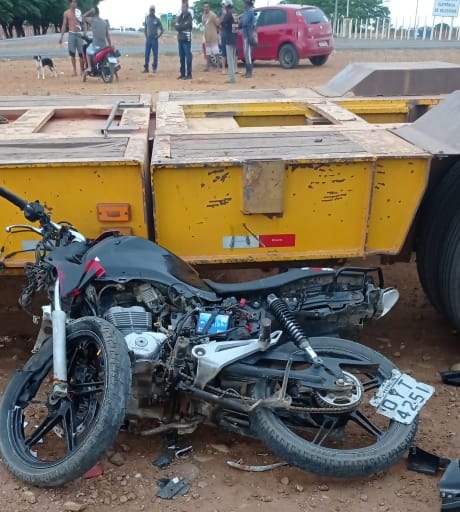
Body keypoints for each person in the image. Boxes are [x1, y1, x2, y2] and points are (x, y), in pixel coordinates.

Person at [59, 0, 85, 76]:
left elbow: (83, 22)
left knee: (81, 53)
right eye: (73, 2)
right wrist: (61, 36)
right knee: (72, 53)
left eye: (76, 2)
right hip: (71, 34)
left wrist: (85, 33)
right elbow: (64, 24)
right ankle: (74, 71)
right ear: (70, 3)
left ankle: (82, 70)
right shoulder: (66, 13)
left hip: (79, 34)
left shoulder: (78, 12)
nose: (74, 3)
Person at [82, 6, 111, 73]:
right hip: (103, 45)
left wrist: (90, 11)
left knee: (87, 51)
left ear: (93, 13)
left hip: (96, 45)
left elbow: (83, 17)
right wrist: (109, 44)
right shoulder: (104, 22)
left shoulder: (92, 20)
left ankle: (89, 67)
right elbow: (107, 36)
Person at [220, 0, 238, 83]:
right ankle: (233, 78)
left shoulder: (228, 13)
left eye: (224, 5)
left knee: (230, 60)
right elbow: (236, 25)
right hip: (234, 38)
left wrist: (223, 14)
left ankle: (232, 79)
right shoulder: (235, 12)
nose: (223, 6)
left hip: (229, 38)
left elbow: (222, 23)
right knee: (232, 58)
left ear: (227, 5)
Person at [143, 5, 164, 74]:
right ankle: (146, 68)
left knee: (155, 54)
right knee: (147, 54)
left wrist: (157, 37)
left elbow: (162, 30)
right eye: (150, 10)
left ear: (154, 11)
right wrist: (146, 36)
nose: (151, 11)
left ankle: (154, 68)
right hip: (148, 39)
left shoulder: (157, 19)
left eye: (152, 10)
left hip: (154, 40)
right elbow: (145, 28)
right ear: (149, 10)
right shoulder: (147, 18)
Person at [175, 2, 193, 80]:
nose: (183, 8)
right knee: (181, 58)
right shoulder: (180, 17)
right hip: (180, 39)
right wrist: (182, 26)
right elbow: (176, 26)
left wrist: (180, 26)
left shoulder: (189, 16)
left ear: (187, 8)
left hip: (186, 39)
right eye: (182, 7)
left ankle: (189, 74)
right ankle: (182, 74)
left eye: (184, 7)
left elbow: (188, 25)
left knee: (188, 58)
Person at [202, 2, 220, 71]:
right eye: (204, 7)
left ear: (209, 7)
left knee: (216, 52)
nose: (206, 8)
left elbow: (217, 24)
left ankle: (218, 67)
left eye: (207, 7)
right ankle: (207, 67)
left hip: (213, 37)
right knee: (208, 53)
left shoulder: (213, 15)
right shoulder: (203, 16)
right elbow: (204, 25)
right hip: (207, 37)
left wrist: (218, 33)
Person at [240, 0, 255, 78]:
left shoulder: (249, 12)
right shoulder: (246, 12)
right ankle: (247, 72)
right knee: (246, 54)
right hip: (245, 35)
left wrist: (241, 19)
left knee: (248, 54)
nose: (243, 4)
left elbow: (244, 22)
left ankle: (249, 72)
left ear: (247, 4)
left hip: (248, 36)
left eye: (244, 3)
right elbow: (243, 22)